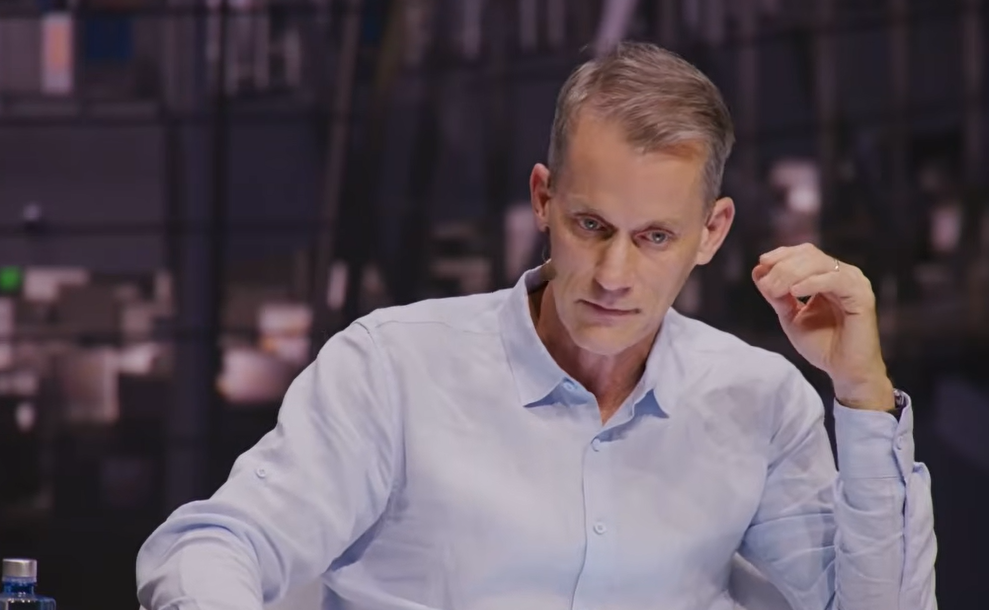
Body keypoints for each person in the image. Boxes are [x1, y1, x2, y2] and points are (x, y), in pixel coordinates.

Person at [136, 42, 936, 610]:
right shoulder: (393, 369)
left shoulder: (756, 400)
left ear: (711, 232)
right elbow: (215, 546)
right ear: (543, 200)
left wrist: (861, 392)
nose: (615, 274)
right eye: (591, 225)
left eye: (654, 237)